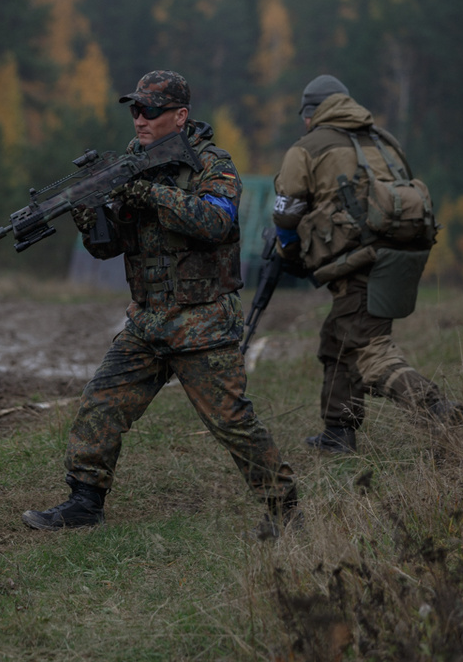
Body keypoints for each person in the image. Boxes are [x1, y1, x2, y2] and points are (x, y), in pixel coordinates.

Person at [23, 70, 298, 536]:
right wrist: (91, 217)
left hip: (203, 321)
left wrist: (148, 192)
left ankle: (286, 512)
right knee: (102, 401)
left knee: (232, 422)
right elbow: (108, 249)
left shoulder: (214, 164)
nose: (139, 120)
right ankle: (85, 502)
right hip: (148, 320)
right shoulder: (129, 164)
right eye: (135, 110)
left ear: (180, 116)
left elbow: (216, 222)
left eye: (150, 110)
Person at [272, 75, 458, 454]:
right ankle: (339, 431)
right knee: (339, 338)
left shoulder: (307, 147)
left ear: (311, 113)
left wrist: (288, 254)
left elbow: (288, 212)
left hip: (359, 261)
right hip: (402, 256)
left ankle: (434, 406)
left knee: (369, 350)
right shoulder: (384, 140)